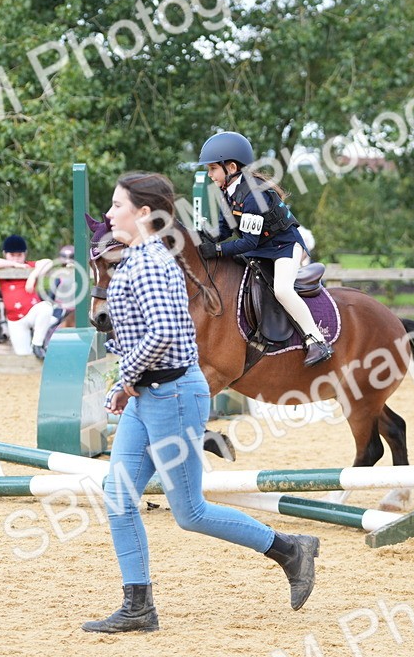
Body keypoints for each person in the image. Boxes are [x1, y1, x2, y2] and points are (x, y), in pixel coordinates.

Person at [83, 172, 319, 633]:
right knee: (119, 496)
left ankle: (290, 549)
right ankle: (138, 606)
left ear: (144, 213)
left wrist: (127, 378)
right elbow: (137, 337)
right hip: (149, 392)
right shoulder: (136, 257)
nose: (109, 214)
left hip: (169, 393)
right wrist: (122, 384)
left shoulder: (152, 261)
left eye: (116, 205)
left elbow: (166, 333)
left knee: (190, 512)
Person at [195, 131, 332, 367]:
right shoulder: (228, 192)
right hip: (262, 249)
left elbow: (248, 243)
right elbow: (224, 231)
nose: (209, 175)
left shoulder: (254, 195)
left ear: (231, 167)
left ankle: (316, 341)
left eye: (212, 169)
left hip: (285, 247)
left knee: (282, 290)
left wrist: (216, 251)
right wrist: (198, 237)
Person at [0, 234, 56, 360]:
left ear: (25, 254)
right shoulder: (3, 268)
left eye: (19, 255)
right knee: (23, 355)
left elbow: (48, 262)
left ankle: (37, 344)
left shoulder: (29, 266)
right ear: (5, 254)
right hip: (15, 320)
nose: (16, 259)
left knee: (46, 307)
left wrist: (33, 274)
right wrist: (15, 265)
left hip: (32, 312)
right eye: (12, 255)